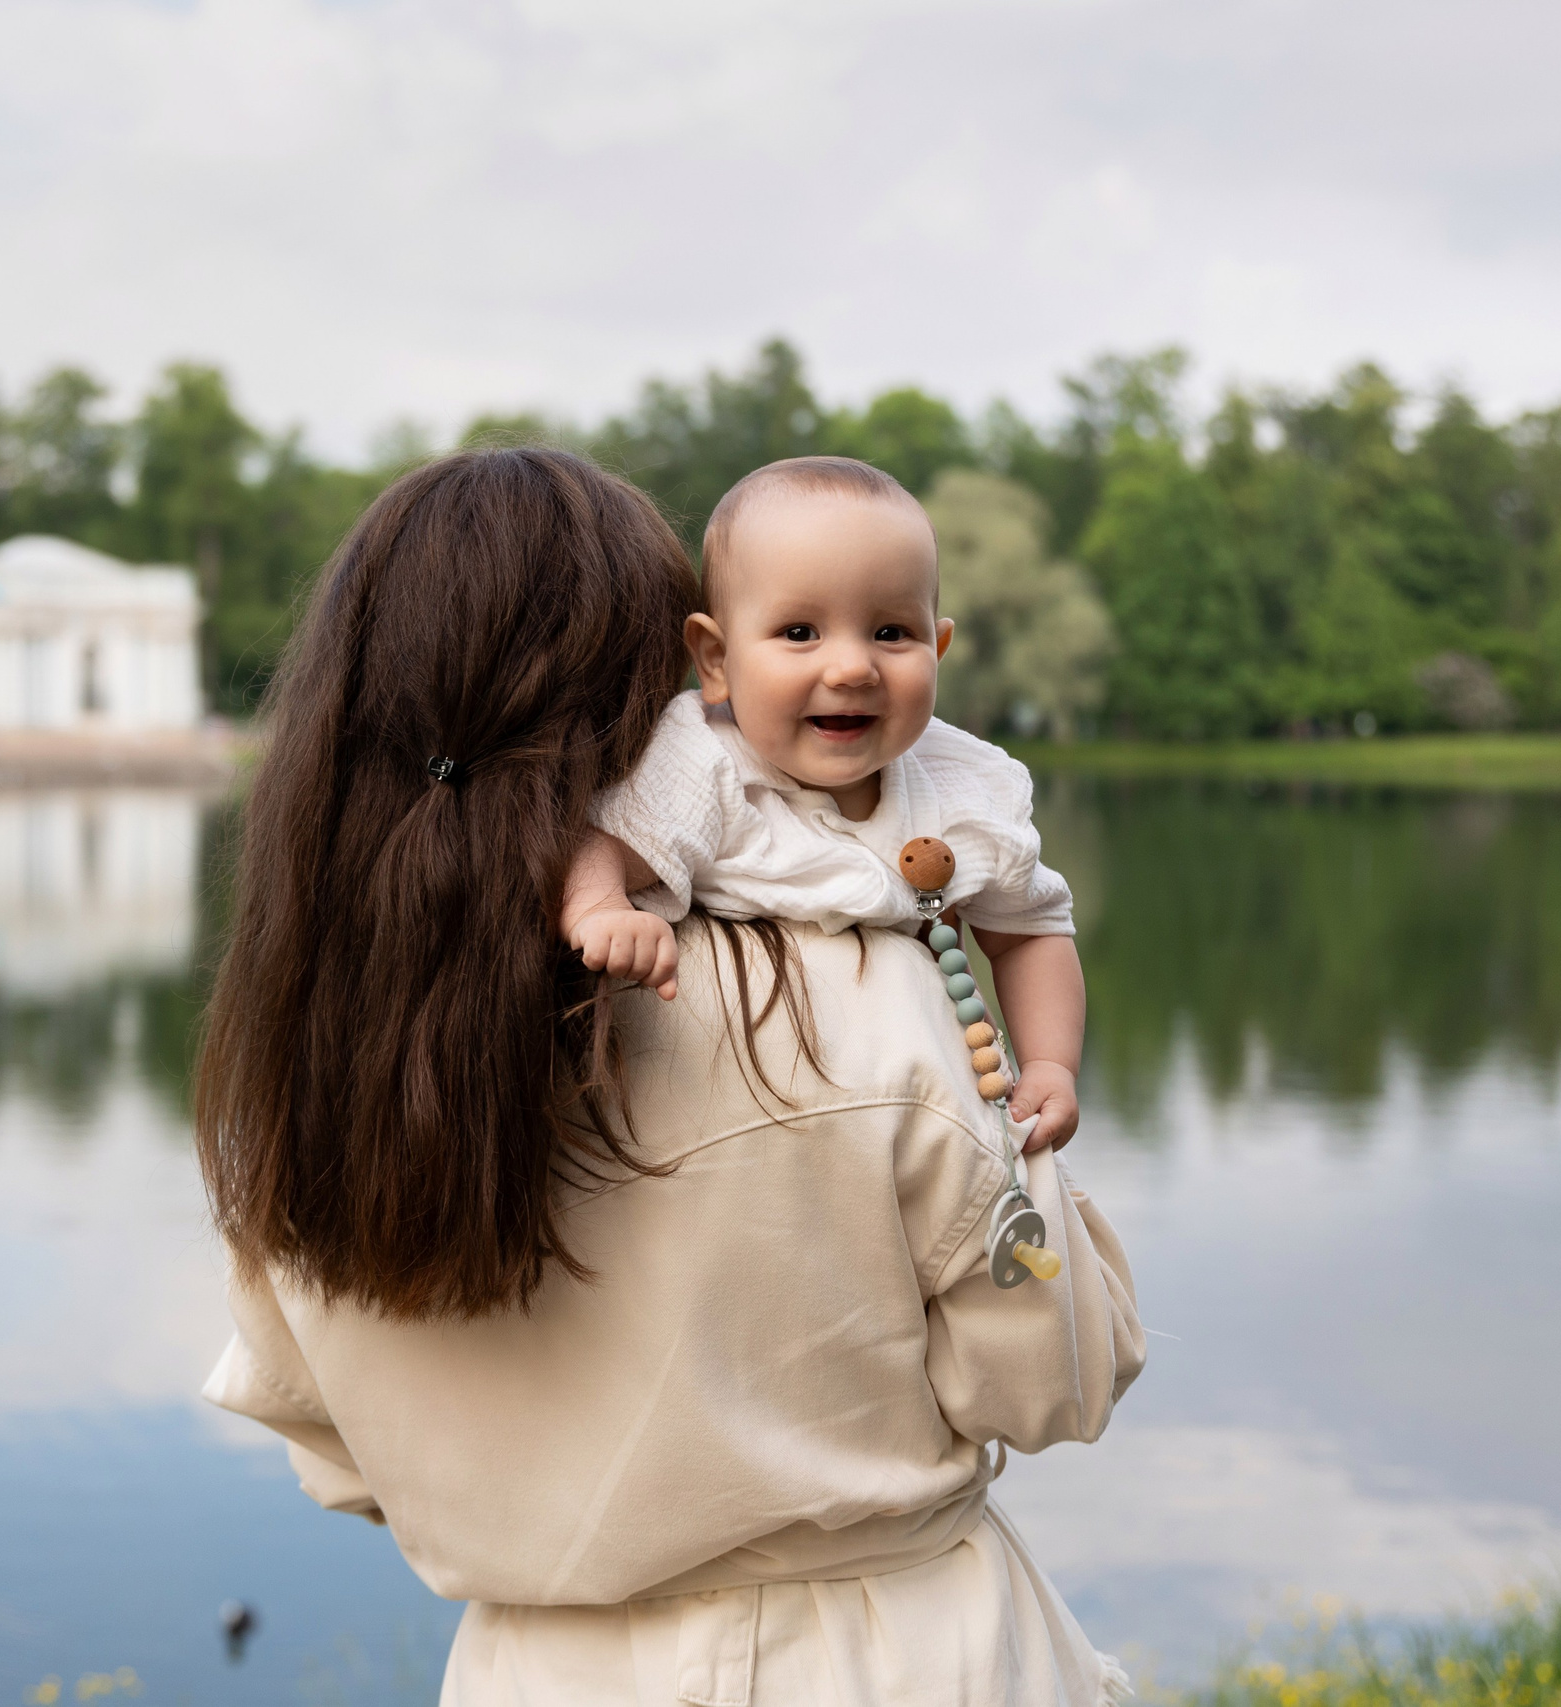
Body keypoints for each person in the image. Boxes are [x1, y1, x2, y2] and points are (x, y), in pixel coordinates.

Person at [196, 446, 1143, 1706]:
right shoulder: (863, 1004)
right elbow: (1043, 1380)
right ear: (673, 680)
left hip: (538, 1670)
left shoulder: (317, 1068)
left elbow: (335, 1448)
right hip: (892, 1655)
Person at [560, 455, 1085, 1150]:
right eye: (800, 632)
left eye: (892, 632)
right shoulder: (705, 759)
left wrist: (1051, 1062)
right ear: (715, 659)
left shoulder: (963, 785)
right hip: (737, 1114)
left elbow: (1029, 931)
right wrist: (601, 908)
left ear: (940, 646)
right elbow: (605, 843)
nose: (851, 668)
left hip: (913, 1122)